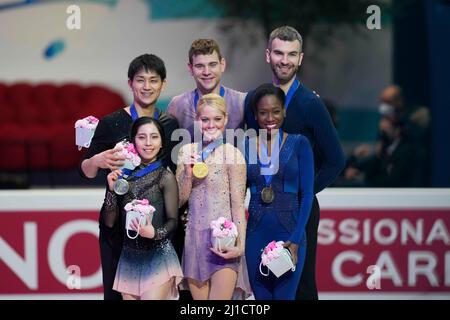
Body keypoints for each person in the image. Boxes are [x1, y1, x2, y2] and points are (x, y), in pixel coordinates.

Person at [244, 26, 346, 300]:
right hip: (260, 211)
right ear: (268, 55)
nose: (284, 60)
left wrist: (304, 193)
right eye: (279, 53)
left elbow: (336, 159)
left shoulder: (310, 103)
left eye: (291, 54)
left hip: (298, 210)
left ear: (301, 58)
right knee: (262, 283)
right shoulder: (254, 100)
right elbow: (248, 150)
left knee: (300, 285)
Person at [78, 54, 179, 300]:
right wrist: (96, 160)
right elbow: (87, 171)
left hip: (154, 229)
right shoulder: (111, 123)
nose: (147, 86)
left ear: (163, 84)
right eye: (140, 80)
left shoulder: (169, 124)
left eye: (153, 80)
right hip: (116, 228)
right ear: (130, 83)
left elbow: (174, 175)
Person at [176, 93, 251, 300]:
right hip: (194, 241)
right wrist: (187, 174)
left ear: (225, 119)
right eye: (205, 119)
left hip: (224, 239)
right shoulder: (185, 152)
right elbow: (179, 200)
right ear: (197, 120)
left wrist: (240, 246)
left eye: (217, 119)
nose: (211, 125)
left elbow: (238, 205)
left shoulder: (233, 155)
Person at [244, 84, 314, 300]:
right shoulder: (245, 146)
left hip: (289, 236)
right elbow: (236, 194)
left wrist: (295, 239)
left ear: (284, 111)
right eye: (263, 112)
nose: (269, 118)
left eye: (275, 111)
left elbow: (308, 194)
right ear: (255, 115)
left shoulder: (299, 144)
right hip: (256, 234)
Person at [103, 117, 183, 300]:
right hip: (129, 258)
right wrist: (111, 191)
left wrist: (154, 233)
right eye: (142, 137)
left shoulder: (165, 176)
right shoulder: (123, 176)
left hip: (158, 257)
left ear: (162, 142)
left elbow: (173, 221)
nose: (148, 143)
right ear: (133, 141)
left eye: (154, 137)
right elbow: (109, 222)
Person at [168, 38, 246, 140]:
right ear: (191, 69)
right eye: (199, 66)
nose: (206, 72)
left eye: (212, 65)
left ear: (222, 65)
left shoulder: (241, 102)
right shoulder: (178, 105)